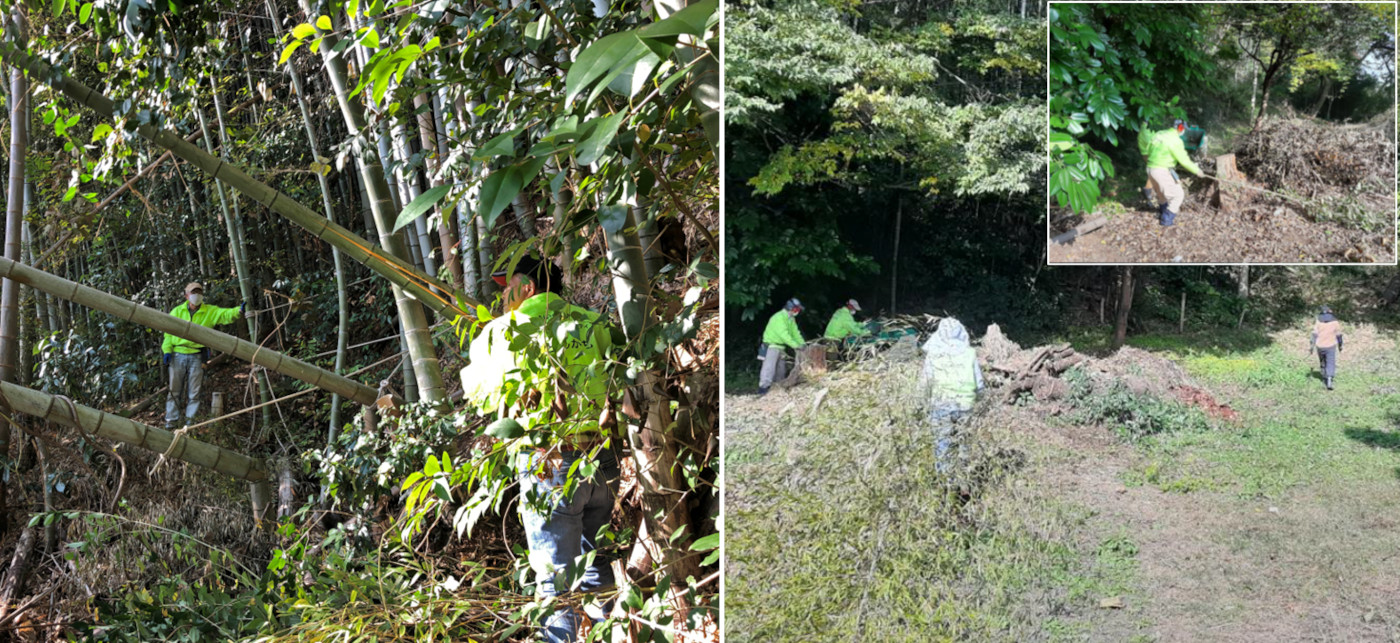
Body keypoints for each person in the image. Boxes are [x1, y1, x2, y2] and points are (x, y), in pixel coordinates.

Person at [459, 257, 618, 643]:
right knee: (597, 562)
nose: (502, 294)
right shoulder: (595, 323)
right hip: (604, 458)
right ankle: (610, 633)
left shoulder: (503, 332)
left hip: (551, 464)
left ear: (528, 288)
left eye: (506, 285)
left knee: (555, 581)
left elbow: (479, 396)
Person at [160, 282, 248, 430]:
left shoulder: (209, 311)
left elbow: (224, 314)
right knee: (174, 391)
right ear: (186, 295)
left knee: (194, 393)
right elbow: (168, 334)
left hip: (197, 355)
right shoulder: (177, 311)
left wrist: (238, 311)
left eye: (199, 292)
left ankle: (190, 425)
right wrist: (167, 351)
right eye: (193, 293)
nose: (196, 296)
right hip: (178, 354)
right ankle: (171, 422)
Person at [920, 318, 984, 473]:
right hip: (965, 405)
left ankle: (946, 481)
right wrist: (979, 399)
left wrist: (921, 404)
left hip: (940, 404)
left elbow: (925, 382)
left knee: (942, 444)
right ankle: (964, 479)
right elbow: (979, 383)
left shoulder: (934, 354)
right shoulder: (970, 353)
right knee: (964, 442)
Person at [1144, 118, 1206, 227]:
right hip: (1161, 170)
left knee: (1161, 195)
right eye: (1183, 129)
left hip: (1150, 169)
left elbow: (1148, 148)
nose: (1184, 131)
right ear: (1180, 128)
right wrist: (1197, 171)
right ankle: (1166, 220)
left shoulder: (1159, 134)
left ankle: (1162, 212)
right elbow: (1184, 160)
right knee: (1178, 195)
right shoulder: (1175, 141)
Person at [758, 298, 804, 395]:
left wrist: (803, 344)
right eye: (796, 310)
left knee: (781, 369)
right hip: (772, 346)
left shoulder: (791, 319)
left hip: (781, 347)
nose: (797, 312)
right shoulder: (779, 317)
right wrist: (796, 346)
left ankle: (777, 388)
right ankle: (763, 389)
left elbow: (795, 333)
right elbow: (784, 335)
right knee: (769, 368)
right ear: (790, 308)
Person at [1310, 305, 1344, 391]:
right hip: (1331, 345)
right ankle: (1329, 380)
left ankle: (1324, 375)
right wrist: (1340, 346)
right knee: (1330, 362)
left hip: (1320, 345)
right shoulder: (1335, 322)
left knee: (1322, 361)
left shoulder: (1318, 321)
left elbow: (1314, 334)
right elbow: (1339, 335)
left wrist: (1311, 347)